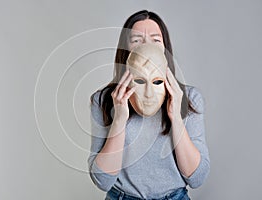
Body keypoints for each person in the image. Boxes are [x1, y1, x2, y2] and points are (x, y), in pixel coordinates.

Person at [88, 10, 210, 200]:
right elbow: (102, 181)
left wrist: (176, 117)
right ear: (125, 51)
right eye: (137, 40)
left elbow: (197, 178)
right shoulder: (103, 100)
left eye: (155, 40)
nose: (147, 46)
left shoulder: (190, 99)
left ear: (165, 49)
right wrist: (119, 119)